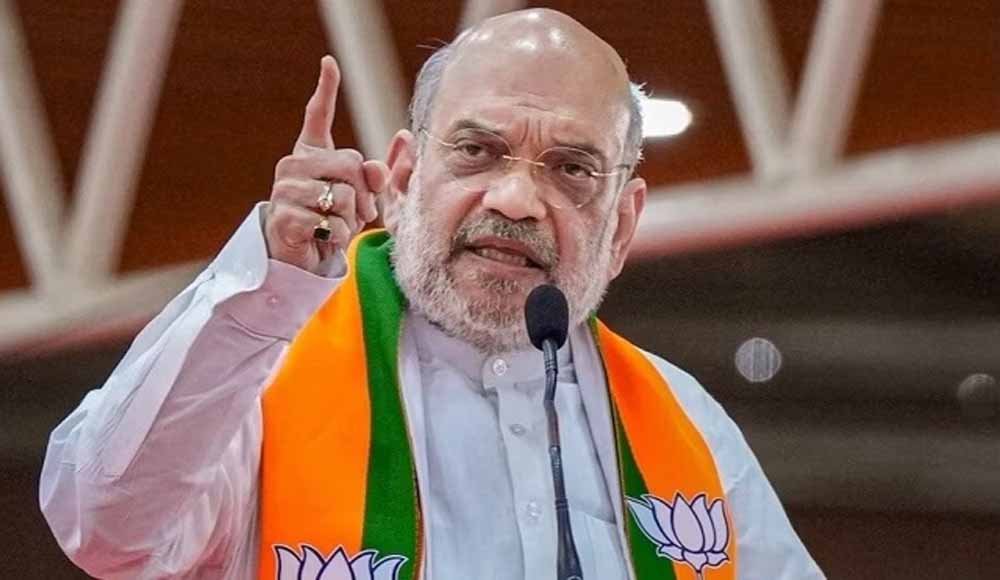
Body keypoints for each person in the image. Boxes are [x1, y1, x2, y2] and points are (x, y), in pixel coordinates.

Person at [40, 9, 824, 580]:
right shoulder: (260, 370)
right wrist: (264, 289)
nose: (516, 200)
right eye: (478, 150)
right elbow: (106, 528)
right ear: (404, 178)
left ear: (620, 224)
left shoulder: (683, 421)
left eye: (571, 169)